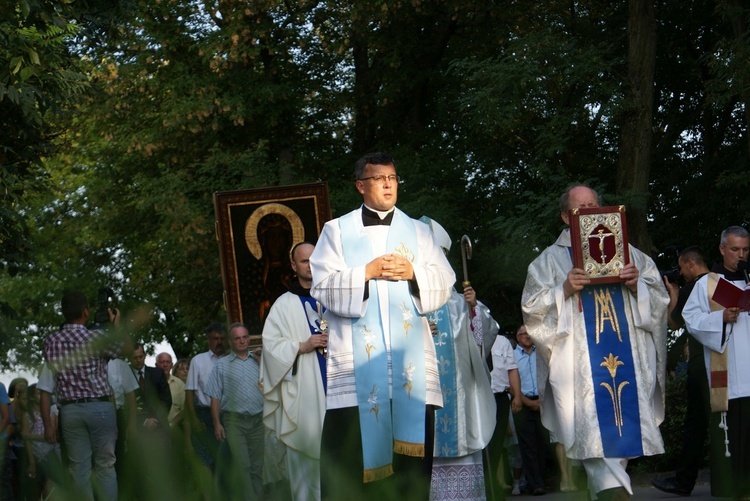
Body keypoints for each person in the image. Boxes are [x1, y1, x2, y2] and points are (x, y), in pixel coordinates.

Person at [310, 152, 455, 500]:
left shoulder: (420, 232)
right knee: (352, 460)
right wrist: (366, 272)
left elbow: (444, 282)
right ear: (361, 185)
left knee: (411, 472)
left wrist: (414, 273)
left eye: (393, 178)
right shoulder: (337, 231)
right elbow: (322, 285)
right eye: (379, 178)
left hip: (411, 366)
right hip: (356, 365)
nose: (388, 184)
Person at [521, 185, 668, 501]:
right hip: (579, 367)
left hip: (627, 360)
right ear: (565, 216)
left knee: (619, 440)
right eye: (579, 207)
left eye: (592, 204)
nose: (588, 211)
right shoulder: (549, 262)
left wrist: (636, 284)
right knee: (593, 438)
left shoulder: (631, 255)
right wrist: (562, 290)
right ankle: (616, 495)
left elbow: (659, 300)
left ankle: (605, 492)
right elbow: (532, 309)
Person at [418, 216, 497, 501]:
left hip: (459, 406)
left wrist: (475, 309)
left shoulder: (458, 303)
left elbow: (482, 343)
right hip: (418, 401)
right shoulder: (406, 301)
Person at [682, 225, 750, 499]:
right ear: (722, 249)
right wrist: (719, 318)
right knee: (732, 435)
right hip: (729, 374)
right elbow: (691, 320)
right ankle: (730, 490)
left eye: (745, 250)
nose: (741, 255)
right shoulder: (707, 284)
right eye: (735, 249)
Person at [41, 290, 126, 500]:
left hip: (70, 410)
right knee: (106, 466)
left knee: (79, 470)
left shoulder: (51, 341)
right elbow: (119, 350)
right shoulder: (97, 337)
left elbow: (49, 379)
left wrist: (48, 424)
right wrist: (116, 324)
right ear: (85, 311)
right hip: (100, 408)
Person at [261, 241, 327, 501]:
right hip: (305, 395)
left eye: (314, 260)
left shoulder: (334, 298)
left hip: (338, 391)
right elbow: (270, 347)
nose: (310, 266)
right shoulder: (283, 305)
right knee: (306, 464)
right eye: (303, 261)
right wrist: (302, 345)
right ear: (293, 265)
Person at [650, 246, 712, 496]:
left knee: (695, 425)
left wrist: (674, 292)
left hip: (700, 363)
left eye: (681, 267)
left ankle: (683, 481)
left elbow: (674, 321)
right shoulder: (721, 281)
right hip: (727, 362)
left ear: (689, 264)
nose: (681, 272)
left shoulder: (692, 288)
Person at [206, 323, 265, 500]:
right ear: (230, 342)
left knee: (258, 467)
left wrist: (261, 361)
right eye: (237, 338)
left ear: (249, 339)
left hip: (258, 421)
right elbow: (215, 397)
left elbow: (270, 384)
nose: (241, 341)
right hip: (234, 422)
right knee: (243, 466)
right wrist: (217, 424)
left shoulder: (258, 360)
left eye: (244, 337)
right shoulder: (221, 365)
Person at [512, 326, 549, 496]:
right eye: (523, 334)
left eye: (529, 333)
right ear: (517, 337)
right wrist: (527, 402)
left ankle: (541, 480)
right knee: (528, 446)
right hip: (523, 404)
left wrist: (542, 401)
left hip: (543, 402)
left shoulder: (541, 354)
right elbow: (509, 385)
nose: (527, 336)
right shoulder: (512, 356)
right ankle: (534, 484)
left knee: (543, 443)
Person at [185, 324, 226, 472]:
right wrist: (194, 418)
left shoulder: (230, 360)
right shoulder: (198, 361)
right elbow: (189, 391)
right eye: (215, 339)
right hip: (205, 414)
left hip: (227, 415)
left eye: (222, 338)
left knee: (227, 461)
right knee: (206, 461)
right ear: (208, 340)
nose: (219, 342)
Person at [487, 331, 522, 500]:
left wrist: (517, 396)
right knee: (484, 445)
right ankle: (486, 487)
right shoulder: (468, 335)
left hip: (501, 397)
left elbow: (512, 369)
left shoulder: (502, 341)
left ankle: (491, 485)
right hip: (481, 396)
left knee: (498, 443)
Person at [157, 352, 186, 429]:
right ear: (156, 365)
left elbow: (185, 409)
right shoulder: (150, 383)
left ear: (172, 365)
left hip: (176, 428)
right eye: (162, 362)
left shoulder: (179, 384)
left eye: (168, 362)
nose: (165, 365)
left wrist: (172, 424)